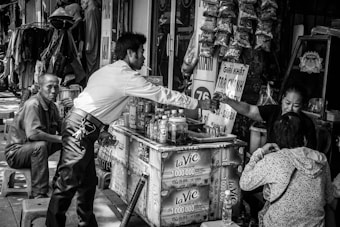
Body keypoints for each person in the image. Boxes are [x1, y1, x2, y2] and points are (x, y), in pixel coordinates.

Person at [46, 32, 211, 227]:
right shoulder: (126, 77)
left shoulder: (105, 71)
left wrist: (101, 129)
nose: (143, 58)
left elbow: (99, 104)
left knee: (87, 183)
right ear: (130, 53)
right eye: (141, 52)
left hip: (81, 125)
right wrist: (197, 103)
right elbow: (160, 94)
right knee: (68, 182)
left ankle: (87, 224)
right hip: (81, 128)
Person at [240, 112, 334, 227]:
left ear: (277, 139)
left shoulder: (273, 160)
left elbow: (245, 183)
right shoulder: (321, 160)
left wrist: (259, 153)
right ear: (304, 139)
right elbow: (329, 197)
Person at [5, 73, 62, 199]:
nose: (53, 91)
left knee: (69, 143)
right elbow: (33, 134)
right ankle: (39, 193)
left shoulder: (52, 106)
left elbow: (62, 127)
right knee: (40, 146)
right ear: (40, 88)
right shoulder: (33, 104)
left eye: (56, 87)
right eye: (49, 87)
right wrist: (59, 138)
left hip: (33, 150)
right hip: (16, 154)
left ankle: (60, 180)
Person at [215, 84, 317, 149]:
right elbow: (249, 110)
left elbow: (311, 151)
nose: (289, 109)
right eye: (287, 103)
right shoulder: (273, 111)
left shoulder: (307, 123)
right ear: (282, 99)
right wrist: (228, 100)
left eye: (296, 106)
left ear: (302, 106)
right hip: (272, 161)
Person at [81, 0, 101, 78]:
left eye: (82, 2)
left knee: (92, 68)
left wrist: (88, 45)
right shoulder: (94, 9)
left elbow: (91, 30)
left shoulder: (90, 11)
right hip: (94, 42)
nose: (81, 4)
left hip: (91, 44)